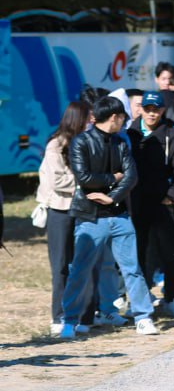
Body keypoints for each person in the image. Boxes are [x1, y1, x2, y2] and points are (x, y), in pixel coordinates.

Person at [60, 96, 159, 338]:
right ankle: (69, 321)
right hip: (89, 216)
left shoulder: (120, 142)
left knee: (132, 269)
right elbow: (84, 178)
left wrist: (111, 197)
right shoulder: (81, 142)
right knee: (80, 270)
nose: (125, 121)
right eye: (123, 117)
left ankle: (143, 317)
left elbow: (131, 176)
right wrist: (114, 178)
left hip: (119, 214)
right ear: (115, 117)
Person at [39, 101, 123, 333]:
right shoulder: (56, 145)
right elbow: (57, 181)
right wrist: (89, 180)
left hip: (87, 209)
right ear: (77, 119)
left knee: (88, 263)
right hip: (61, 210)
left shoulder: (91, 142)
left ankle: (86, 316)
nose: (92, 122)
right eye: (89, 118)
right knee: (61, 265)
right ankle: (59, 316)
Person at [128, 90, 174, 317]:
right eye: (147, 109)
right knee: (137, 254)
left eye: (156, 109)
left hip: (162, 204)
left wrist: (172, 196)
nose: (151, 113)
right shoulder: (130, 134)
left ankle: (172, 297)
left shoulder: (172, 136)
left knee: (170, 254)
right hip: (135, 203)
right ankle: (139, 299)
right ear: (141, 110)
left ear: (163, 110)